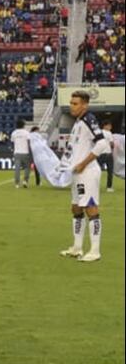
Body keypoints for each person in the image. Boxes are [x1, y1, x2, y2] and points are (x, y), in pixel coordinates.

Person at [59, 91, 111, 262]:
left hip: (87, 172)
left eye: (75, 103)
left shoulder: (89, 119)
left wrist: (83, 163)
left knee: (91, 208)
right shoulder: (78, 122)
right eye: (71, 103)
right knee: (76, 208)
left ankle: (95, 251)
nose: (71, 106)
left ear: (85, 105)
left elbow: (102, 144)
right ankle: (77, 247)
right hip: (76, 173)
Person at [11, 119, 33, 188]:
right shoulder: (26, 133)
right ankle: (25, 181)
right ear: (23, 125)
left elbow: (12, 142)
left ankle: (17, 183)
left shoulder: (14, 133)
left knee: (17, 169)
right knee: (27, 167)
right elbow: (29, 143)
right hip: (25, 152)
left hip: (17, 152)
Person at [98, 121, 115, 193]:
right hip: (108, 154)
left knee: (97, 171)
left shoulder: (98, 132)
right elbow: (112, 144)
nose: (110, 128)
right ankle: (109, 187)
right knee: (110, 171)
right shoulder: (109, 133)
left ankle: (94, 185)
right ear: (105, 126)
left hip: (99, 154)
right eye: (109, 126)